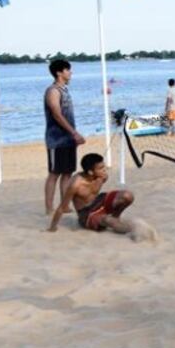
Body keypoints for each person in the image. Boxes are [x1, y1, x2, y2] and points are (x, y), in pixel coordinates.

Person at [48, 153, 135, 235]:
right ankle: (133, 230)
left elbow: (97, 190)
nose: (104, 170)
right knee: (109, 220)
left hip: (99, 201)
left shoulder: (102, 177)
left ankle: (116, 216)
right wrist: (52, 227)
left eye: (104, 167)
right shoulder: (75, 185)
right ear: (90, 172)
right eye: (101, 168)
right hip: (86, 213)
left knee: (128, 196)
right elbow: (62, 207)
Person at [44, 59, 85, 214]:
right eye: (68, 70)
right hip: (56, 140)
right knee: (54, 174)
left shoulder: (65, 90)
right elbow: (56, 114)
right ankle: (49, 208)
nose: (70, 72)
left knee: (67, 172)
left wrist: (73, 135)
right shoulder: (53, 91)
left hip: (69, 139)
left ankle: (65, 205)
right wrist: (74, 132)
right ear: (59, 72)